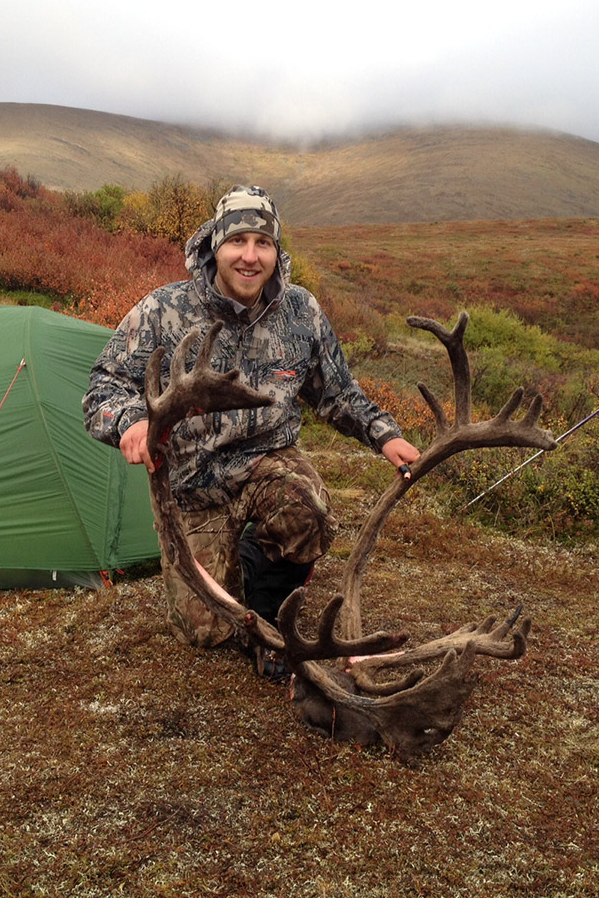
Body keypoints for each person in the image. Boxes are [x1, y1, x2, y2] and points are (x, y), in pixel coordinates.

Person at [83, 185, 419, 669]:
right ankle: (239, 558)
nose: (249, 256)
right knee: (206, 630)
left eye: (263, 243)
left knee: (310, 516)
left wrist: (384, 433)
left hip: (268, 462)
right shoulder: (163, 311)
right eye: (237, 241)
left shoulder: (301, 312)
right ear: (214, 246)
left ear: (276, 251)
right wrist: (130, 421)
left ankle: (268, 607)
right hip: (195, 484)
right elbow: (103, 387)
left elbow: (337, 391)